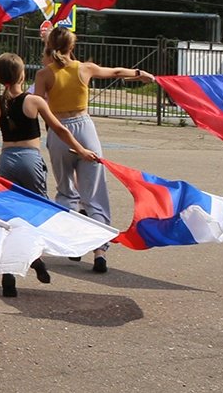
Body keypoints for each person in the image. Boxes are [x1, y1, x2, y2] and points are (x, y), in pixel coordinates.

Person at [0, 52, 95, 296]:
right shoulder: (34, 101)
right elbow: (59, 129)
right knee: (37, 212)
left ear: (0, 78)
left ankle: (9, 275)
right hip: (30, 160)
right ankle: (36, 258)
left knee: (8, 217)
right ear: (22, 75)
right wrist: (81, 149)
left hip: (6, 163)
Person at [35, 23, 152, 274]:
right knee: (95, 192)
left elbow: (38, 104)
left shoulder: (44, 74)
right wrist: (140, 73)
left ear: (51, 47)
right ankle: (99, 251)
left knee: (66, 191)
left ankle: (72, 244)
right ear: (72, 47)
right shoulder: (84, 68)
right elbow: (117, 71)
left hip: (58, 131)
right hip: (84, 128)